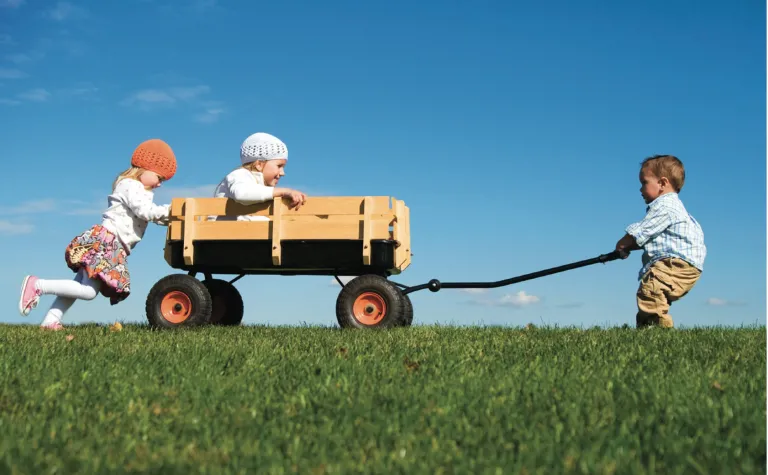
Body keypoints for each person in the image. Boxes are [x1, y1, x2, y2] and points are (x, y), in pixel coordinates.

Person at [18, 139, 177, 330]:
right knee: (88, 291)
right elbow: (146, 211)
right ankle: (37, 285)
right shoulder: (130, 185)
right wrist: (174, 210)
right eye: (160, 178)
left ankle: (50, 321)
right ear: (146, 168)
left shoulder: (137, 189)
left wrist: (171, 217)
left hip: (113, 245)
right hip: (107, 243)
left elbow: (150, 214)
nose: (160, 184)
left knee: (77, 285)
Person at [615, 154, 706, 328]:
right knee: (650, 293)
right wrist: (629, 247)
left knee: (651, 290)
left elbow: (641, 231)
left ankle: (658, 333)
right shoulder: (674, 208)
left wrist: (622, 243)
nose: (640, 189)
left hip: (676, 263)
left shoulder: (665, 206)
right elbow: (646, 237)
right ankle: (645, 330)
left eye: (644, 182)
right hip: (683, 263)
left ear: (663, 183)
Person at [211, 132, 306, 221]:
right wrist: (284, 192)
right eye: (279, 166)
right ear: (259, 164)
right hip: (221, 236)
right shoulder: (240, 175)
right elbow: (242, 194)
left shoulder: (259, 188)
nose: (282, 173)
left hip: (240, 234)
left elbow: (252, 219)